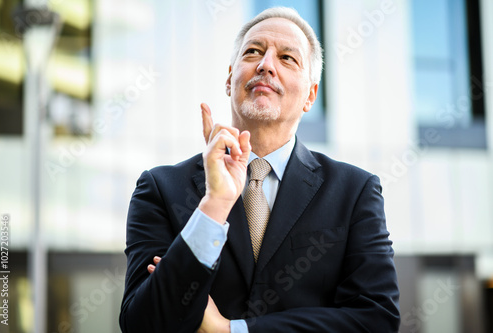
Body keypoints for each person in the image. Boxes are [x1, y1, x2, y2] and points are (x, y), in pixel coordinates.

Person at [119, 7, 400, 333]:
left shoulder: (354, 191)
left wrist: (232, 330)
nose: (266, 65)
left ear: (310, 95)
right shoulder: (160, 188)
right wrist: (214, 206)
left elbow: (376, 320)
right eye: (253, 52)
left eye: (287, 58)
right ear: (229, 79)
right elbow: (141, 324)